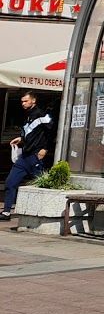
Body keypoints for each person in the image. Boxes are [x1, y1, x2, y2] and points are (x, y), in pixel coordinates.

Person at [2, 92, 52, 221]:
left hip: (35, 156)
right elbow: (31, 132)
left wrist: (45, 149)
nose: (23, 104)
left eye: (26, 101)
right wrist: (21, 138)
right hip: (24, 155)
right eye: (22, 101)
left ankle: (45, 210)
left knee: (41, 185)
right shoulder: (27, 116)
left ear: (33, 101)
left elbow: (50, 131)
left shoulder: (41, 114)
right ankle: (6, 211)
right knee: (10, 182)